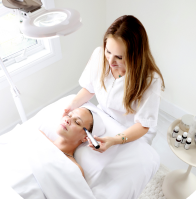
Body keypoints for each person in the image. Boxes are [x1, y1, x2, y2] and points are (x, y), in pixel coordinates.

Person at [62, 15, 165, 153]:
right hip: (104, 117)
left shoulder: (150, 80)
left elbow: (143, 125)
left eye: (119, 57)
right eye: (108, 51)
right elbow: (89, 88)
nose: (110, 61)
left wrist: (116, 140)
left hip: (132, 131)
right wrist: (70, 107)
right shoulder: (99, 55)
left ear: (135, 55)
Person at [40, 107, 94, 177]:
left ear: (85, 137)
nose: (68, 120)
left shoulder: (74, 169)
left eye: (77, 122)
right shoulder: (38, 136)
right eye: (69, 115)